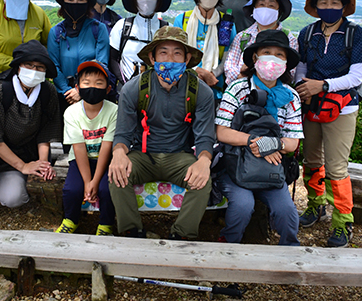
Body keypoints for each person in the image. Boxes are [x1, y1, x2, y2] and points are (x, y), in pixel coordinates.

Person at [108, 26, 215, 239]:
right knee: (117, 175)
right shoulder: (134, 88)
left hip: (179, 156)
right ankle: (131, 232)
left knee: (203, 181)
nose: (170, 59)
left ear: (187, 59)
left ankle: (182, 235)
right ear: (152, 57)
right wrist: (118, 153)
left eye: (177, 53)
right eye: (163, 52)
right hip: (143, 155)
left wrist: (204, 160)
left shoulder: (200, 91)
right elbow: (123, 133)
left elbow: (204, 136)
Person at [294, 0, 362, 248]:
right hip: (312, 105)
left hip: (343, 107)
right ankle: (316, 206)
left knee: (337, 167)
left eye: (334, 2)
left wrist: (323, 85)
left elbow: (356, 75)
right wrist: (304, 87)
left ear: (344, 7)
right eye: (323, 2)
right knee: (311, 159)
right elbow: (302, 65)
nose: (329, 7)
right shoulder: (308, 33)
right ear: (316, 6)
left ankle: (343, 222)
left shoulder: (355, 34)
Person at [215, 30, 302, 245]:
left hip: (271, 169)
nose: (273, 59)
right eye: (266, 52)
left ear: (286, 62)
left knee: (287, 212)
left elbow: (292, 142)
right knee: (243, 206)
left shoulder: (291, 97)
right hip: (235, 165)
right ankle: (228, 246)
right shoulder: (238, 88)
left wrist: (271, 144)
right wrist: (254, 142)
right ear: (255, 58)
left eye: (279, 55)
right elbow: (222, 131)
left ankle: (290, 253)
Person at [0, 40, 60, 208]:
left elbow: (46, 131)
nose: (34, 71)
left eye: (40, 67)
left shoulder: (48, 92)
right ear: (18, 66)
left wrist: (42, 165)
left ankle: (4, 178)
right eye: (29, 65)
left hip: (23, 153)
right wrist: (23, 167)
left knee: (14, 199)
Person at [58, 61, 117, 236]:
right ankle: (71, 220)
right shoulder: (71, 112)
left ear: (108, 89)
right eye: (86, 83)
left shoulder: (114, 111)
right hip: (80, 159)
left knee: (107, 189)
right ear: (77, 87)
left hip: (105, 160)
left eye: (99, 83)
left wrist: (95, 182)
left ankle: (106, 224)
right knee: (71, 189)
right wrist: (86, 182)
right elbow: (78, 148)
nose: (92, 87)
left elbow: (107, 148)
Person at [48, 0, 110, 108]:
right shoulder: (56, 32)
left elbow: (101, 63)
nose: (75, 3)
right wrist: (67, 91)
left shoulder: (98, 29)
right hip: (64, 97)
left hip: (91, 95)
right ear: (63, 3)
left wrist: (80, 91)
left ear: (87, 3)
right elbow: (54, 66)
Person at [173, 0, 234, 101]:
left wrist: (213, 74)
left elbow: (228, 56)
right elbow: (175, 54)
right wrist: (200, 72)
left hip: (215, 90)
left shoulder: (227, 24)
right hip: (184, 87)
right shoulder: (182, 20)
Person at [224, 0, 298, 85]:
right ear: (253, 9)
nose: (266, 8)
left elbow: (291, 72)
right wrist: (243, 80)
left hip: (274, 93)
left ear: (279, 11)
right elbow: (229, 66)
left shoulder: (289, 39)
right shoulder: (243, 37)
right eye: (261, 4)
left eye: (271, 5)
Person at [109, 0, 171, 87]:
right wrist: (124, 82)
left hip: (159, 91)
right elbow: (113, 58)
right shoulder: (122, 26)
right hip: (127, 90)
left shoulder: (167, 29)